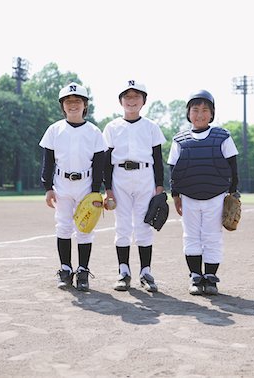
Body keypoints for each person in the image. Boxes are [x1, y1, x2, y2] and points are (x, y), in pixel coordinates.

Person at [167, 90, 239, 295]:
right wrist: (176, 195)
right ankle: (195, 276)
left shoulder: (222, 136)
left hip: (216, 195)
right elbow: (173, 169)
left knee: (212, 236)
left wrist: (233, 193)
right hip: (189, 196)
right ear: (188, 113)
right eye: (195, 109)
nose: (200, 114)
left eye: (205, 110)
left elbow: (233, 167)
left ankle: (211, 278)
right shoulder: (180, 139)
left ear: (212, 113)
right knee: (191, 236)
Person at [39, 82, 105, 292]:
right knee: (63, 227)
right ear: (63, 106)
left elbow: (99, 163)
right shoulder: (54, 129)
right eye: (68, 101)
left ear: (85, 105)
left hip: (86, 184)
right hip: (62, 184)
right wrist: (47, 187)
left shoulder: (94, 131)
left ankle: (83, 271)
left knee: (85, 229)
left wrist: (96, 190)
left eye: (78, 101)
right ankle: (65, 269)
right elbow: (47, 161)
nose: (73, 104)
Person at [103, 80, 166, 292]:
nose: (131, 101)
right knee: (122, 226)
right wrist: (108, 189)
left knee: (143, 226)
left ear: (144, 101)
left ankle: (145, 272)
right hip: (119, 177)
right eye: (127, 97)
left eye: (136, 96)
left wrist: (159, 187)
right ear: (121, 101)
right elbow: (106, 161)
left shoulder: (151, 127)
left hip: (145, 177)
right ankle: (123, 271)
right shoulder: (112, 127)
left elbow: (158, 159)